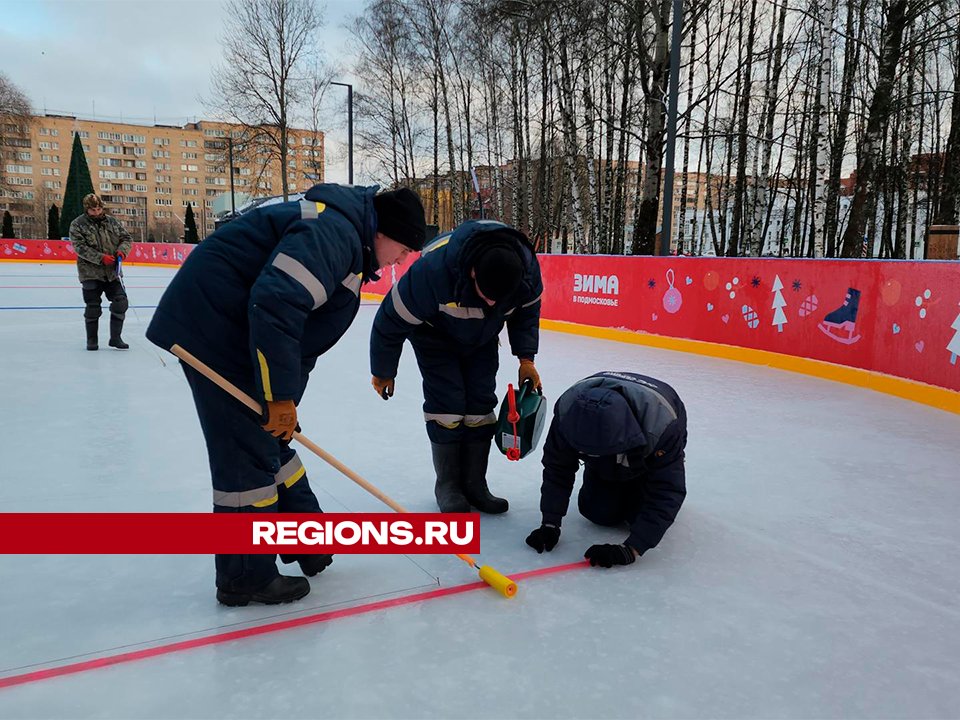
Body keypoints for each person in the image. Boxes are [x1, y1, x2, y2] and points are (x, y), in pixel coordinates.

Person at [147, 184, 426, 606]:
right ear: (383, 233)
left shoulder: (350, 245)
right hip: (214, 332)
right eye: (404, 248)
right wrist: (277, 396)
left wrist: (286, 400)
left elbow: (304, 337)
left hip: (239, 333)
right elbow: (276, 304)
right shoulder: (334, 235)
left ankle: (304, 542)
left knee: (273, 437)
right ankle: (245, 576)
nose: (402, 259)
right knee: (245, 457)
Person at [369, 219, 543, 514]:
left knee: (479, 406)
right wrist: (384, 370)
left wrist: (526, 359)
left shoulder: (526, 276)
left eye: (499, 299)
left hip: (483, 337)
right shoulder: (432, 274)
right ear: (473, 273)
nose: (491, 301)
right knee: (447, 404)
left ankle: (475, 484)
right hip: (434, 334)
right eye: (487, 294)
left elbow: (526, 316)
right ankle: (448, 486)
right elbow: (390, 320)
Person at [525, 371, 687, 568]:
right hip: (610, 452)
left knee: (638, 518)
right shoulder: (567, 415)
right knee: (599, 515)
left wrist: (632, 549)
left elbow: (668, 490)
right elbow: (557, 468)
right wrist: (550, 523)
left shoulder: (662, 427)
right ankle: (606, 471)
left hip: (651, 442)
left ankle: (638, 477)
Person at [70, 194, 133, 351]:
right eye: (93, 210)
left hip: (112, 272)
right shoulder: (78, 224)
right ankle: (92, 340)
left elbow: (126, 238)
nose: (97, 212)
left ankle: (115, 338)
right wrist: (100, 258)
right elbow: (79, 247)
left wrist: (121, 252)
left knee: (121, 301)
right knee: (93, 306)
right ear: (87, 209)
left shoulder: (112, 222)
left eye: (99, 209)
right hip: (90, 272)